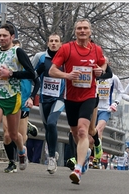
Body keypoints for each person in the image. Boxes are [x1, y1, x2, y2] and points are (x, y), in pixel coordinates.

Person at [49, 18, 107, 184]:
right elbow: (52, 70)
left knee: (83, 131)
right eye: (79, 28)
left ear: (90, 32)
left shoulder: (96, 49)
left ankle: (79, 168)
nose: (82, 31)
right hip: (71, 97)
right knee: (75, 133)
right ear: (76, 31)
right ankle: (85, 155)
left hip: (88, 96)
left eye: (85, 28)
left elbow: (103, 64)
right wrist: (66, 75)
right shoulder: (67, 48)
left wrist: (99, 71)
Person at [0, 23, 36, 183]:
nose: (2, 38)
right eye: (0, 35)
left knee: (12, 135)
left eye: (5, 36)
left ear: (12, 37)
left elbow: (31, 73)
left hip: (13, 97)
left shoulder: (17, 51)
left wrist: (10, 73)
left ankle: (21, 150)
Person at [2, 39, 40, 173]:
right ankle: (11, 162)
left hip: (22, 104)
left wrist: (31, 98)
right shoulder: (6, 65)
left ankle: (23, 146)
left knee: (20, 137)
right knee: (7, 135)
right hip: (7, 101)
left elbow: (37, 81)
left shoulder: (26, 66)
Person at [34, 33, 65, 174]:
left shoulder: (65, 58)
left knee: (52, 123)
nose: (53, 43)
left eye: (56, 41)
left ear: (60, 43)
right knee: (47, 127)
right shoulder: (40, 57)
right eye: (51, 41)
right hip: (44, 97)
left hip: (59, 97)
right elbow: (32, 74)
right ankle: (52, 151)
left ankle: (51, 157)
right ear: (47, 43)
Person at [92, 57, 124, 169]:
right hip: (92, 108)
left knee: (98, 130)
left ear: (108, 63)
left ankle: (96, 158)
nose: (101, 65)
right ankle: (90, 154)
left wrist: (115, 103)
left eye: (103, 63)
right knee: (90, 133)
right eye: (99, 62)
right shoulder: (93, 75)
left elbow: (121, 92)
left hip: (105, 109)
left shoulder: (113, 77)